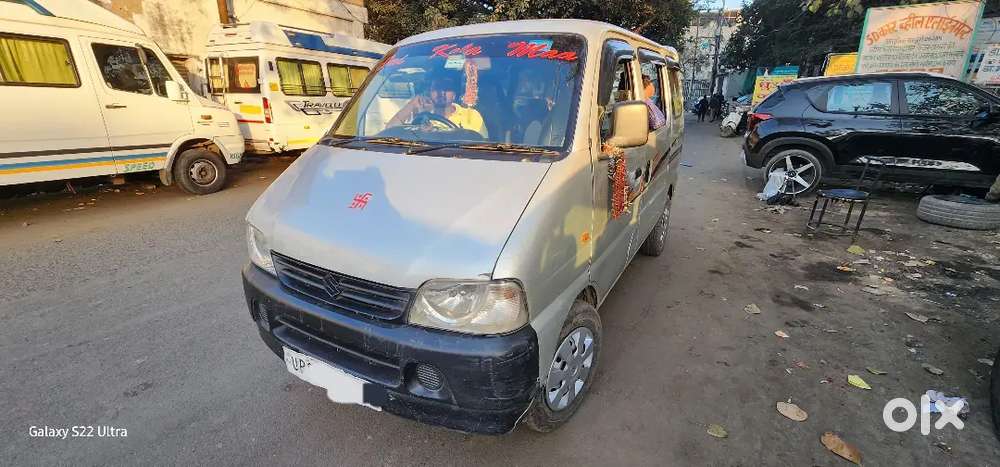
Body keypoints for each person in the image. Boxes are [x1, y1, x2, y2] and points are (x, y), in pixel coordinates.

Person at [387, 74, 488, 137]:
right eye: (436, 88)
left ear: (454, 95)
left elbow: (483, 147)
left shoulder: (471, 115)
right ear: (430, 92)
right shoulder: (420, 115)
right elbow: (390, 129)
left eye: (447, 88)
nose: (441, 92)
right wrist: (411, 104)